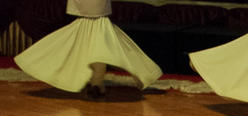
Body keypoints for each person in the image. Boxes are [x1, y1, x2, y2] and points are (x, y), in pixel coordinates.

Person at [13, 0, 162, 97]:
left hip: (88, 9)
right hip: (96, 10)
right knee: (100, 42)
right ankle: (96, 83)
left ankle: (94, 83)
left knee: (89, 40)